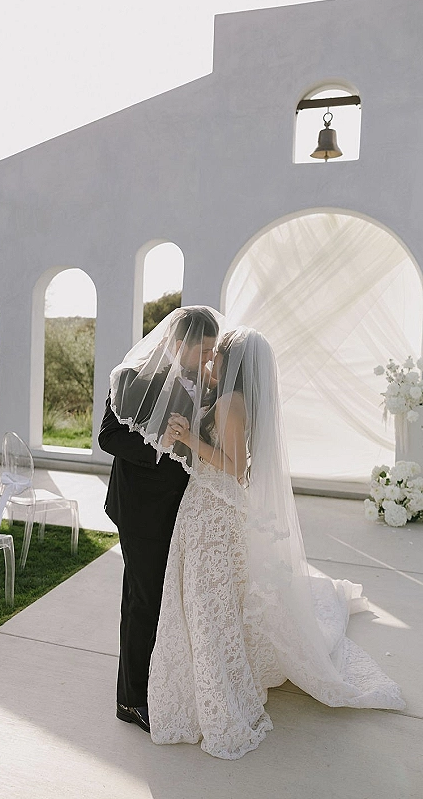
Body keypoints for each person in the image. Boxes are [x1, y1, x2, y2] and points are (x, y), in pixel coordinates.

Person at [141, 325, 406, 760]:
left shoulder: (230, 402)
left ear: (232, 363)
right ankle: (205, 690)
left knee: (209, 609)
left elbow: (234, 467)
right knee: (207, 606)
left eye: (217, 356)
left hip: (214, 514)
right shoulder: (231, 399)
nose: (210, 362)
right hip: (205, 509)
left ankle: (218, 702)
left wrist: (189, 438)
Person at [98, 306, 220, 733]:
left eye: (211, 352)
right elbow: (108, 436)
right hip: (140, 508)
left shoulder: (203, 385)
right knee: (142, 600)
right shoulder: (134, 379)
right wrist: (157, 445)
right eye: (202, 351)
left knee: (161, 601)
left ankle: (156, 685)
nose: (207, 359)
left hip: (179, 509)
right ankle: (129, 701)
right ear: (178, 343)